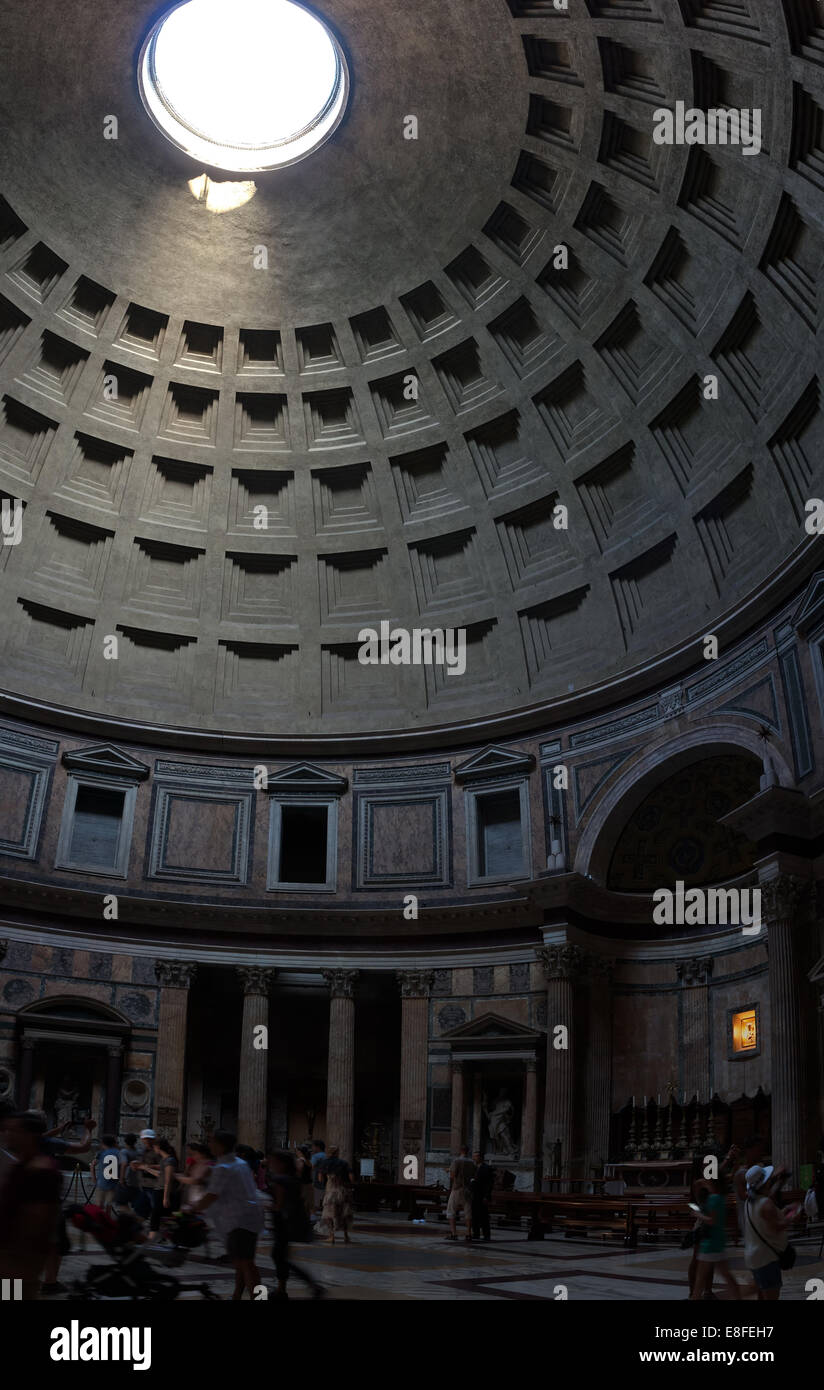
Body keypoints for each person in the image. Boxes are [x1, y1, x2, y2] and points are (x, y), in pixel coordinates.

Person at [192, 1130, 264, 1299]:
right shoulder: (240, 1163)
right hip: (248, 1217)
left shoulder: (223, 1167)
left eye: (212, 1142)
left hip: (239, 1220)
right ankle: (236, 1295)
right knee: (241, 1262)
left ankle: (260, 1297)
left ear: (221, 1145)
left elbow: (212, 1195)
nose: (209, 1145)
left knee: (246, 1264)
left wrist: (193, 1208)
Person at [0, 1111, 62, 1299]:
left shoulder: (41, 1170)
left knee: (13, 1296)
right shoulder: (22, 1164)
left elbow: (37, 1218)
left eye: (14, 1131)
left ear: (30, 1135)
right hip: (9, 1254)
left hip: (19, 1257)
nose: (7, 1134)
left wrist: (16, 1252)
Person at [266, 1149, 324, 1299]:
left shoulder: (279, 1179)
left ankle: (311, 1285)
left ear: (282, 1164)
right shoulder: (293, 1178)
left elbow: (278, 1205)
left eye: (274, 1162)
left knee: (279, 1256)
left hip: (282, 1222)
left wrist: (263, 1204)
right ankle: (281, 1289)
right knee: (281, 1256)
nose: (271, 1164)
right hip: (293, 1221)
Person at [744, 1164, 797, 1301]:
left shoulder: (749, 1202)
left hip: (754, 1256)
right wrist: (793, 1216)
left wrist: (785, 1210)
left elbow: (765, 1221)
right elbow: (777, 1226)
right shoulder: (765, 1203)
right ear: (765, 1183)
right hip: (766, 1258)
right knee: (772, 1296)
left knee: (762, 1295)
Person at [689, 1176, 741, 1301]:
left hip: (710, 1244)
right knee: (727, 1276)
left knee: (700, 1281)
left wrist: (698, 1214)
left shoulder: (713, 1198)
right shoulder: (721, 1198)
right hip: (719, 1241)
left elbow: (711, 1220)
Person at [446, 1144, 474, 1242]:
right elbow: (473, 1175)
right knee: (468, 1212)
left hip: (457, 1188)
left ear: (460, 1150)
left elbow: (453, 1176)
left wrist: (449, 1171)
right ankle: (468, 1234)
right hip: (468, 1189)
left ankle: (454, 1234)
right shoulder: (472, 1162)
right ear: (468, 1151)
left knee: (451, 1211)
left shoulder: (456, 1161)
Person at [320, 1168, 353, 1245]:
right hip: (343, 1192)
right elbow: (351, 1180)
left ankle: (332, 1236)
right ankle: (346, 1236)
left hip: (331, 1193)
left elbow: (320, 1179)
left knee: (330, 1215)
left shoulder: (328, 1168)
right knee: (344, 1214)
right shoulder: (344, 1168)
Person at [91, 1133, 121, 1212]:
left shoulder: (101, 1153)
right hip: (113, 1183)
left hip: (102, 1182)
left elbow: (93, 1165)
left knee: (99, 1205)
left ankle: (99, 1220)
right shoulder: (118, 1152)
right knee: (109, 1205)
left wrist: (94, 1178)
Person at [470, 1150, 495, 1241]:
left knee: (484, 1216)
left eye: (476, 1156)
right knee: (475, 1215)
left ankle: (486, 1235)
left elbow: (489, 1184)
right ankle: (476, 1233)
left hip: (482, 1195)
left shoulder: (486, 1168)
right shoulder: (474, 1168)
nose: (474, 1158)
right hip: (474, 1195)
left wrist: (486, 1196)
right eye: (473, 1156)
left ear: (480, 1157)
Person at [115, 1132, 141, 1215]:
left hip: (127, 1180)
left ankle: (130, 1217)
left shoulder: (124, 1151)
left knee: (121, 1203)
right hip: (136, 1181)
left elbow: (124, 1164)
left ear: (125, 1141)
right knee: (133, 1202)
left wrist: (121, 1179)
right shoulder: (138, 1152)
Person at [310, 1138, 327, 1212]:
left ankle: (313, 1216)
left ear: (317, 1147)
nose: (312, 1148)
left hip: (316, 1180)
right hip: (326, 1180)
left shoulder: (316, 1156)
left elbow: (311, 1166)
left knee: (315, 1201)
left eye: (313, 1146)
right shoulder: (326, 1156)